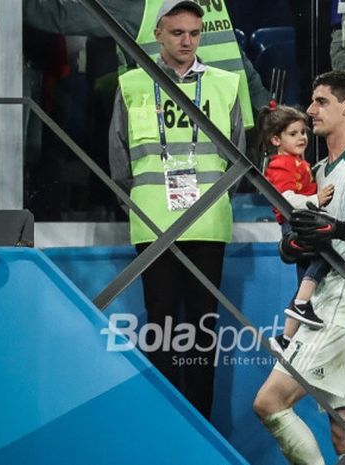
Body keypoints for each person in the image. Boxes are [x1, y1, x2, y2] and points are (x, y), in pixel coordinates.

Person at [253, 70, 345, 465]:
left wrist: (338, 228)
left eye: (321, 101)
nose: (310, 110)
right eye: (312, 100)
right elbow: (295, 244)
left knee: (270, 403)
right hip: (341, 312)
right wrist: (293, 244)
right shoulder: (317, 173)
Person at [108, 0, 245, 419]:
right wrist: (140, 203)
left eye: (194, 33)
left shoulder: (225, 83)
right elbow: (118, 157)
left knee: (204, 331)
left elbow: (239, 155)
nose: (187, 41)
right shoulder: (132, 84)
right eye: (177, 33)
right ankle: (167, 426)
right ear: (158, 35)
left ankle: (200, 429)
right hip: (153, 222)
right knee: (162, 329)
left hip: (208, 223)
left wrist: (216, 198)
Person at [24, 0, 270, 129]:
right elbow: (237, 57)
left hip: (172, 130)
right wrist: (266, 112)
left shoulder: (135, 4)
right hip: (231, 125)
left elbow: (53, 14)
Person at [257, 103, 336, 352]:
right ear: (275, 139)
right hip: (295, 226)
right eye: (293, 134)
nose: (302, 137)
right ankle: (301, 305)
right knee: (327, 255)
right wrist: (317, 200)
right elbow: (286, 197)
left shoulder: (299, 162)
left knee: (304, 285)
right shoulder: (281, 163)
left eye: (303, 132)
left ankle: (286, 338)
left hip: (302, 222)